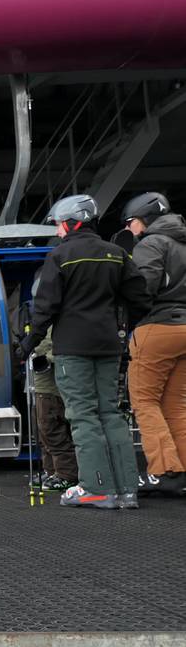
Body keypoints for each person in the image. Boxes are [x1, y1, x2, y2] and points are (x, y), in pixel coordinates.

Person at [19, 194, 150, 509]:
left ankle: (96, 488)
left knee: (83, 416)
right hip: (109, 346)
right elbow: (141, 300)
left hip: (72, 349)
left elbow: (45, 309)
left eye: (58, 225)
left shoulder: (60, 256)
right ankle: (126, 489)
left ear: (71, 222)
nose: (57, 231)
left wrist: (26, 346)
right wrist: (120, 327)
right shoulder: (117, 254)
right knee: (111, 414)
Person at [122, 192, 186, 496]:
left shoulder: (150, 244)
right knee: (176, 406)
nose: (129, 228)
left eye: (130, 222)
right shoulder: (182, 242)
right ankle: (182, 471)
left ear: (143, 219)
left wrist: (126, 315)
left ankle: (163, 470)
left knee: (145, 402)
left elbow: (142, 288)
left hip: (158, 326)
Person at [32, 329, 78, 491]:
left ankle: (66, 474)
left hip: (52, 382)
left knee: (52, 428)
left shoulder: (59, 320)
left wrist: (48, 357)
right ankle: (52, 470)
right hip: (42, 381)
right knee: (44, 430)